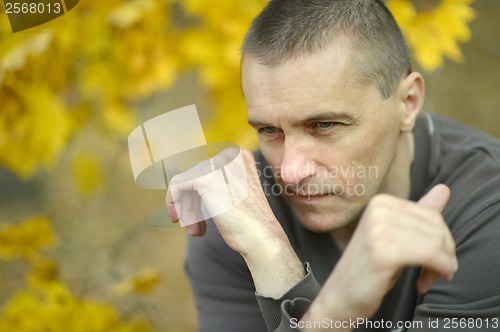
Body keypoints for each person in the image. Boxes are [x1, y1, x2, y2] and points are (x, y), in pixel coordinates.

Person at [166, 0, 500, 331]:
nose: (291, 171)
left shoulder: (487, 213)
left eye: (325, 125)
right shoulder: (239, 220)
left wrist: (332, 311)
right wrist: (272, 256)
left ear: (408, 103)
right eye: (269, 130)